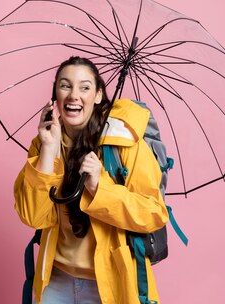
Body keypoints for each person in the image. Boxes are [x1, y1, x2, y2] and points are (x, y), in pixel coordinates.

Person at [14, 56, 169, 303]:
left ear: (98, 95)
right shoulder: (45, 142)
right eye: (65, 85)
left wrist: (99, 187)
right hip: (56, 281)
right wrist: (47, 150)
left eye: (85, 87)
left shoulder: (125, 144)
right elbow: (32, 216)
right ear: (56, 92)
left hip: (109, 284)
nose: (74, 95)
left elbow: (154, 213)